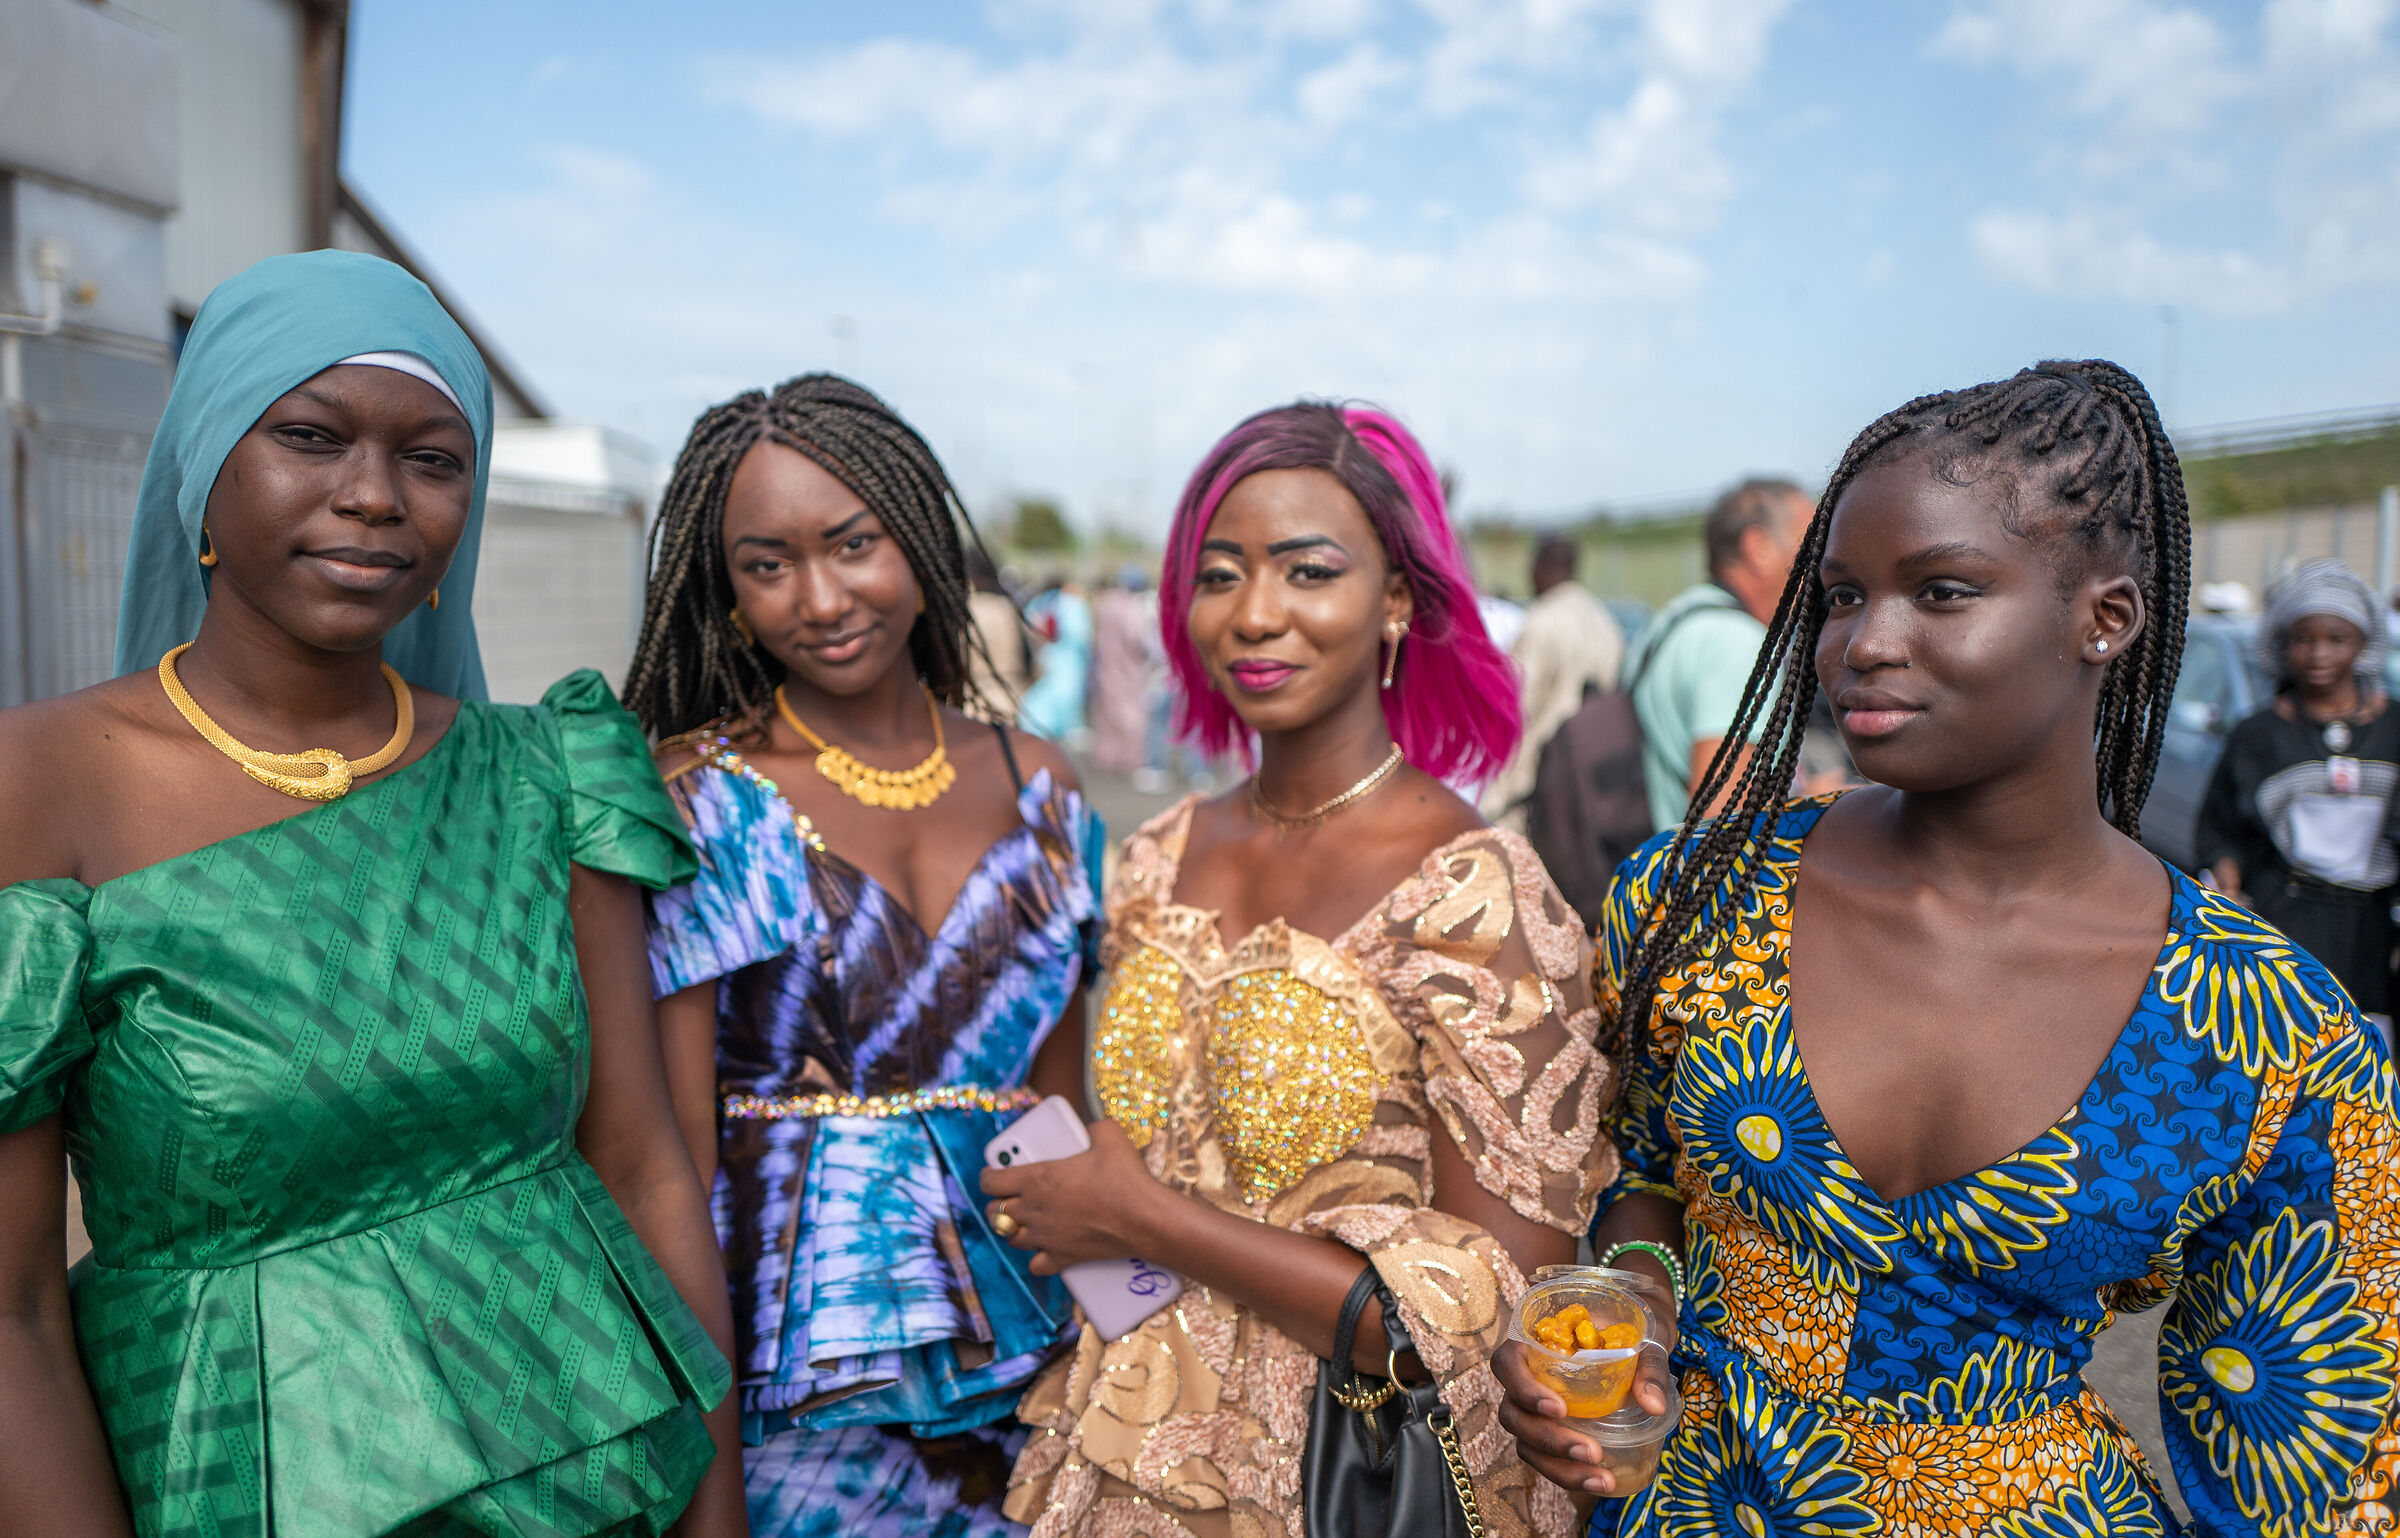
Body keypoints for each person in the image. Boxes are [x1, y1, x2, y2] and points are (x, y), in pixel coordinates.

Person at [1495, 361, 2400, 1535]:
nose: (1864, 642)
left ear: (2103, 617)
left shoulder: (2268, 1028)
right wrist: (1632, 1337)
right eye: (1839, 595)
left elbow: (2322, 1467)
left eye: (1943, 591)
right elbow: (1646, 1184)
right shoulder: (1701, 898)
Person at [0, 251, 740, 1536]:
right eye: (309, 435)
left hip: (597, 1483)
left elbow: (641, 1165)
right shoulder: (42, 787)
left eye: (433, 458)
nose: (373, 496)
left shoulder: (546, 774)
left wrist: (716, 1517)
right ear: (203, 474)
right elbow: (8, 1306)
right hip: (235, 1485)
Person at [988, 402, 1617, 1538]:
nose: (1256, 612)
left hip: (1347, 1480)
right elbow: (1137, 1147)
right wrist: (1057, 1198)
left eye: (1307, 570)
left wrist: (1145, 1219)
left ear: (1396, 600)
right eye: (1220, 574)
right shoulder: (1155, 853)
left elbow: (1505, 1310)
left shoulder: (1476, 891)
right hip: (1121, 1459)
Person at [622, 374, 1102, 1538]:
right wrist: (704, 1482)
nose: (822, 596)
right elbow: (672, 1157)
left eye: (853, 543)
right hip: (799, 1382)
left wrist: (1121, 1348)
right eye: (767, 562)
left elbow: (1065, 1106)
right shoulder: (700, 796)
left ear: (920, 542)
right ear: (726, 589)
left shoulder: (1045, 782)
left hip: (1036, 1358)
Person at [2199, 559, 2400, 1022]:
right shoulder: (2258, 734)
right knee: (2284, 1047)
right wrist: (2226, 883)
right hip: (2284, 918)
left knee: (2367, 1060)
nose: (2319, 655)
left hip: (2374, 929)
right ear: (2282, 644)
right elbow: (2222, 828)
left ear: (2364, 643)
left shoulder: (2395, 729)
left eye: (2337, 639)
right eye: (2303, 639)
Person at [1627, 479, 1812, 831]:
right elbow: (1721, 822)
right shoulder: (1736, 643)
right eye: (1811, 542)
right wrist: (1814, 805)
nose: (1825, 560)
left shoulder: (1676, 617)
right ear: (1758, 547)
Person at [1482, 533, 1627, 832]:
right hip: (1591, 785)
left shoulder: (1542, 622)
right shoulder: (1604, 622)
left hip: (1537, 791)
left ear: (1543, 566)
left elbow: (1515, 708)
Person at [1087, 567, 1156, 775]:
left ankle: (1108, 755)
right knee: (1132, 713)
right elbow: (1135, 638)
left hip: (1106, 664)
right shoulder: (1128, 606)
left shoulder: (1106, 603)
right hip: (1128, 668)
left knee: (1107, 712)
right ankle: (1131, 758)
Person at [1017, 577, 1093, 742]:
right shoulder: (1071, 604)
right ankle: (1066, 727)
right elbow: (1079, 634)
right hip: (1065, 655)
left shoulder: (1047, 601)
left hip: (1053, 653)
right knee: (1065, 692)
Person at [965, 544, 1034, 719]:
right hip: (1010, 700)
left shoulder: (965, 610)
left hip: (971, 703)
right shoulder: (1009, 610)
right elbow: (1029, 661)